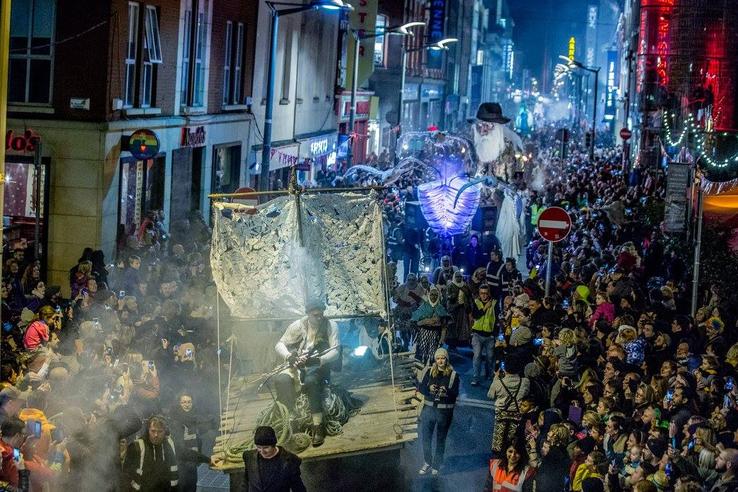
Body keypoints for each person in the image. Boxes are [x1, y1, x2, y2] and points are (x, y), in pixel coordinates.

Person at [273, 300, 339, 447]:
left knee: (311, 381)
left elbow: (336, 351)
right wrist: (289, 357)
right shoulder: (298, 326)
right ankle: (291, 422)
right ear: (308, 314)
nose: (319, 318)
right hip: (297, 365)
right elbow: (279, 344)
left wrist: (319, 360)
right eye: (315, 315)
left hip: (318, 364)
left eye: (321, 314)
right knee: (282, 380)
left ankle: (318, 426)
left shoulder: (330, 325)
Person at [416, 348, 460, 476]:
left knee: (441, 439)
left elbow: (455, 394)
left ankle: (436, 464)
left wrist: (446, 392)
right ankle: (427, 462)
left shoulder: (453, 375)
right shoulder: (429, 371)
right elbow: (421, 389)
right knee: (426, 438)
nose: (440, 361)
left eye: (443, 358)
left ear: (446, 359)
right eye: (438, 358)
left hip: (444, 412)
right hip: (429, 410)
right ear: (435, 359)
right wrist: (428, 388)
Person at [240, 426, 306, 492]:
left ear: (274, 445)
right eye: (259, 447)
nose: (262, 451)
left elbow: (298, 488)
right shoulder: (249, 458)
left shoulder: (290, 461)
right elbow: (245, 483)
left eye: (266, 447)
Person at [123, 415, 179, 492]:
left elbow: (182, 456)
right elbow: (126, 473)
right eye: (153, 431)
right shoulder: (136, 446)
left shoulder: (169, 444)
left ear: (165, 431)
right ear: (148, 430)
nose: (156, 435)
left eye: (160, 431)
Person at [410, 286, 449, 365]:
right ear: (428, 295)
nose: (433, 297)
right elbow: (414, 322)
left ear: (438, 296)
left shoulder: (441, 308)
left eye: (435, 295)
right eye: (432, 294)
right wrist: (425, 321)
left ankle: (431, 372)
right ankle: (420, 372)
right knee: (421, 353)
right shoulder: (423, 307)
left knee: (433, 355)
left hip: (435, 335)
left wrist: (442, 338)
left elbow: (444, 326)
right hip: (423, 334)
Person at [470, 284, 496, 386]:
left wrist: (495, 335)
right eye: (481, 293)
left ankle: (489, 375)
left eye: (485, 293)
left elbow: (497, 319)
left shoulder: (494, 303)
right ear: (479, 294)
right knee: (477, 356)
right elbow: (476, 315)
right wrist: (485, 307)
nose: (484, 295)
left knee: (490, 357)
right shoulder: (476, 302)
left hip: (489, 335)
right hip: (477, 334)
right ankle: (475, 378)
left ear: (488, 293)